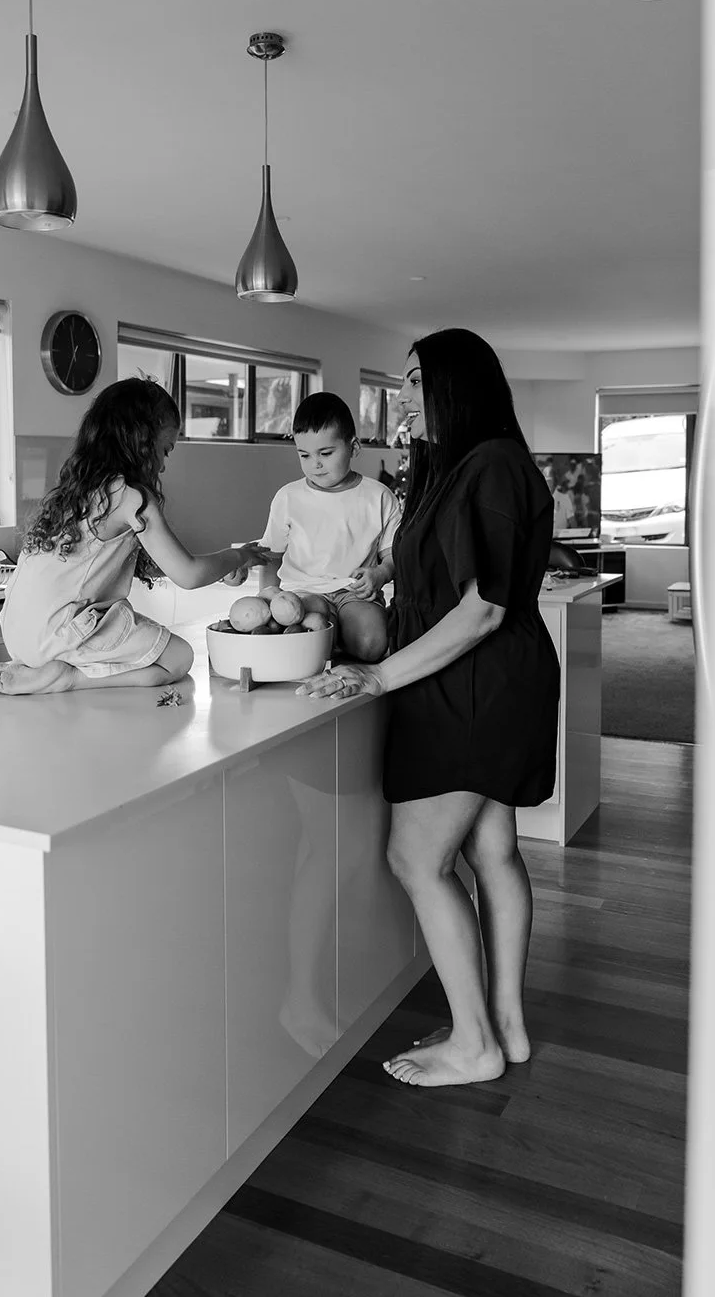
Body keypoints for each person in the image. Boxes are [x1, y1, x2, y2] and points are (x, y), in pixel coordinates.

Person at [298, 329, 559, 1088]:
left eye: (416, 381)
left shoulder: (491, 467)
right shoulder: (471, 466)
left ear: (456, 385)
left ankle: (474, 1044)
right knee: (492, 851)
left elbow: (482, 609)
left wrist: (380, 678)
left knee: (416, 858)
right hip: (482, 681)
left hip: (474, 685)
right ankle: (504, 1027)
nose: (403, 395)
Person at [0, 378, 266, 694]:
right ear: (142, 443)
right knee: (178, 658)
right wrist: (239, 555)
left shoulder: (75, 492)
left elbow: (156, 563)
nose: (163, 466)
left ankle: (48, 671)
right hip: (58, 635)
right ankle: (67, 678)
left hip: (18, 634)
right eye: (165, 450)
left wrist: (220, 570)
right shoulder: (129, 496)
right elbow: (187, 574)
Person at [253, 392, 402, 662]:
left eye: (326, 453)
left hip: (354, 592)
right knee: (311, 630)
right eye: (305, 455)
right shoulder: (288, 497)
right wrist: (267, 597)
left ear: (353, 447)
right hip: (304, 591)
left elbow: (392, 555)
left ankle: (340, 638)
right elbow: (271, 555)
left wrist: (380, 574)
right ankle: (333, 639)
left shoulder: (379, 496)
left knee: (372, 644)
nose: (316, 464)